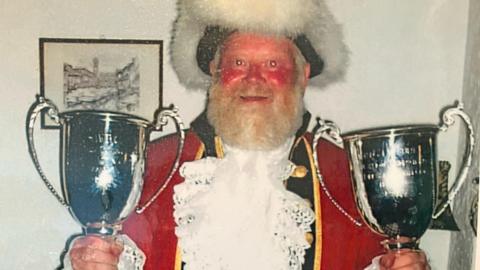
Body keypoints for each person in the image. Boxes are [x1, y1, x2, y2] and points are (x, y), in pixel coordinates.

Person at [67, 0, 430, 269]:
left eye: (273, 64)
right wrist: (87, 263)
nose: (254, 79)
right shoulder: (154, 166)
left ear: (302, 75)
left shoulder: (344, 177)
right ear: (214, 70)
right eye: (239, 63)